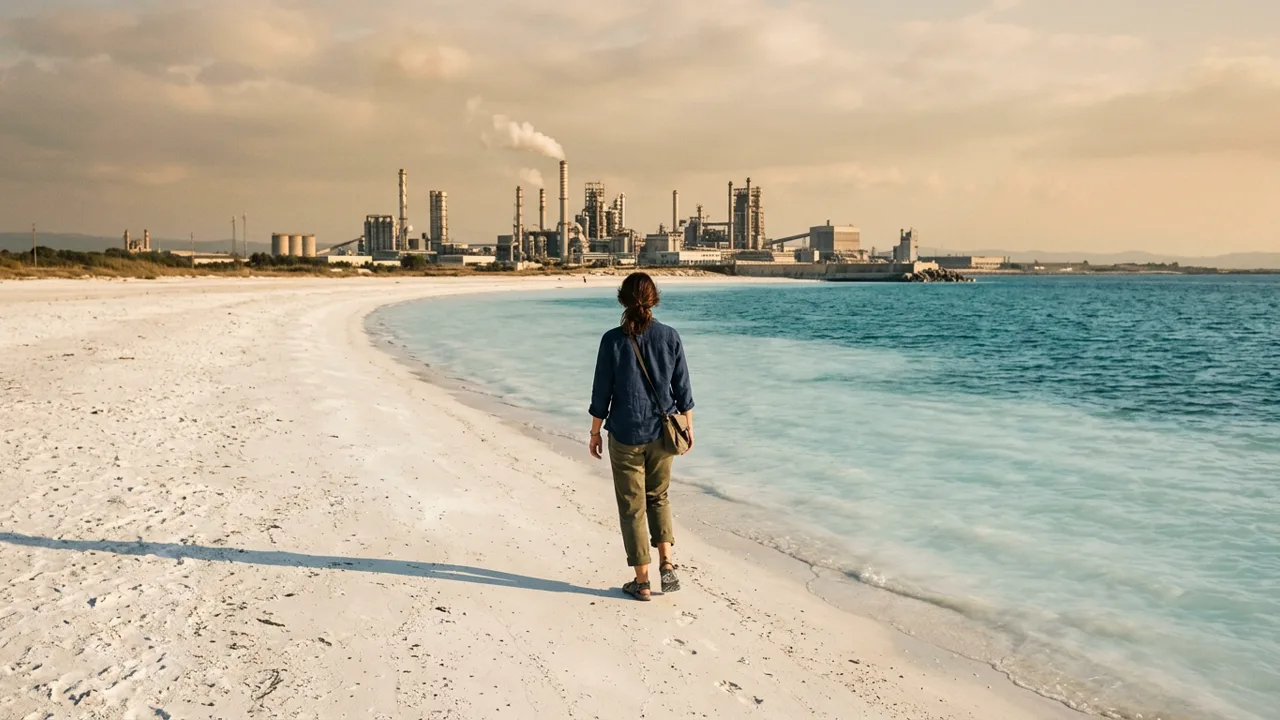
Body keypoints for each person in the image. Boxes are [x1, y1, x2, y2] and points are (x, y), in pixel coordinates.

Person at [588, 272, 695, 601]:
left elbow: (601, 392)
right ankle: (667, 562)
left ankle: (642, 582)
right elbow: (683, 389)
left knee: (632, 508)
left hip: (625, 433)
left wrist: (594, 432)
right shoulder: (670, 336)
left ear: (622, 299)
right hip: (662, 434)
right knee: (659, 498)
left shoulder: (612, 340)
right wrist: (688, 428)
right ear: (654, 299)